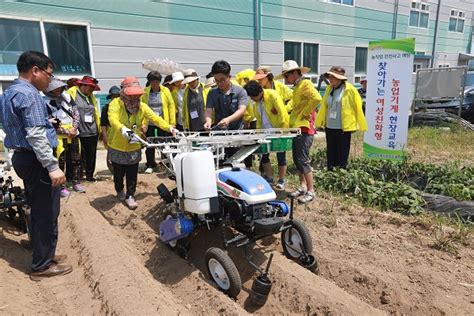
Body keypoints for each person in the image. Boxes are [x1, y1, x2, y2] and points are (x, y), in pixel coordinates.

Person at [0, 51, 72, 280]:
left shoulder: (9, 92)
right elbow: (35, 134)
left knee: (34, 205)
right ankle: (42, 265)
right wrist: (52, 166)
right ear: (35, 70)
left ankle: (42, 251)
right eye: (49, 75)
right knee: (46, 212)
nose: (50, 81)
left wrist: (47, 124)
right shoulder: (30, 95)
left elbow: (18, 126)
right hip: (37, 159)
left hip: (23, 157)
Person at [108, 77, 178, 210]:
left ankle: (130, 195)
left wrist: (170, 128)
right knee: (118, 173)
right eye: (131, 94)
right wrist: (122, 129)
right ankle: (119, 190)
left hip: (134, 144)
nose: (135, 97)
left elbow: (156, 119)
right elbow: (113, 119)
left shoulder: (142, 107)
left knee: (132, 172)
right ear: (124, 92)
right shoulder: (115, 104)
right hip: (117, 144)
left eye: (137, 95)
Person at [275, 60, 321, 204]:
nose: (286, 80)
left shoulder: (305, 84)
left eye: (287, 76)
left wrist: (306, 112)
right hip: (296, 127)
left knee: (303, 159)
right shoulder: (297, 87)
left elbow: (317, 98)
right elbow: (294, 104)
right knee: (297, 159)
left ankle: (311, 190)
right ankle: (302, 186)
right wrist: (284, 109)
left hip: (305, 127)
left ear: (295, 73)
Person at [315, 66, 367, 170]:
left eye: (333, 77)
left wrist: (360, 124)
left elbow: (358, 106)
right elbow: (324, 106)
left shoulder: (350, 89)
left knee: (342, 152)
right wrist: (319, 122)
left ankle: (341, 171)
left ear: (340, 78)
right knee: (331, 151)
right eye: (329, 77)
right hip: (329, 126)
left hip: (343, 127)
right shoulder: (329, 89)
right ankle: (330, 172)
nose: (330, 79)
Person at [244, 80, 289, 189]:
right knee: (264, 155)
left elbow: (283, 114)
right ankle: (269, 177)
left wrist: (282, 131)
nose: (251, 99)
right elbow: (259, 121)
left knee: (280, 155)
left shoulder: (272, 95)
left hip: (278, 130)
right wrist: (259, 134)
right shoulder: (256, 104)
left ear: (257, 93)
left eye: (251, 96)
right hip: (264, 132)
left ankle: (282, 179)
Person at [44, 78, 85, 197]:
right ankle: (61, 186)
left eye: (59, 87)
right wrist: (66, 132)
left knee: (76, 159)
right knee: (60, 161)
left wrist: (74, 128)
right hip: (59, 136)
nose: (57, 90)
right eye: (54, 88)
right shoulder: (46, 102)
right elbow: (50, 121)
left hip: (74, 133)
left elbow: (76, 113)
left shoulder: (68, 97)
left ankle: (76, 182)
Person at [204, 60, 248, 160]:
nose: (220, 83)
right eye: (216, 80)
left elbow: (242, 110)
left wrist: (228, 119)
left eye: (222, 79)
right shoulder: (212, 93)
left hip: (237, 134)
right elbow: (208, 110)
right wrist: (208, 121)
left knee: (236, 164)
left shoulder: (240, 91)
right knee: (218, 162)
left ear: (229, 77)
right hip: (218, 135)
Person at [140, 71, 176, 174]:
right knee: (150, 144)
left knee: (165, 143)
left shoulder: (165, 91)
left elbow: (171, 106)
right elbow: (142, 108)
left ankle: (165, 164)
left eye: (156, 81)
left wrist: (172, 123)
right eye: (152, 81)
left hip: (163, 122)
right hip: (150, 123)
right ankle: (151, 164)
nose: (154, 83)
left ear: (159, 81)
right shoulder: (145, 91)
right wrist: (143, 123)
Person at [68, 75, 101, 182]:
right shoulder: (73, 93)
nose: (91, 89)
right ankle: (78, 176)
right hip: (79, 131)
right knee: (78, 156)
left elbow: (95, 112)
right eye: (90, 87)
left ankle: (90, 175)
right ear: (83, 85)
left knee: (91, 155)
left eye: (93, 88)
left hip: (92, 131)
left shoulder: (91, 97)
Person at [101, 85, 121, 173]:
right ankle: (113, 170)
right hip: (111, 134)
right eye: (114, 96)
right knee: (111, 153)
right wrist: (105, 137)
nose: (116, 98)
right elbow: (103, 124)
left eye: (117, 96)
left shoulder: (123, 107)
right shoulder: (106, 108)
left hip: (121, 133)